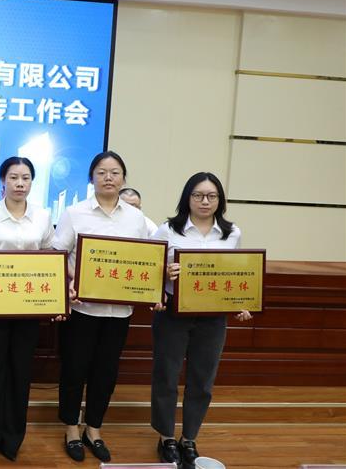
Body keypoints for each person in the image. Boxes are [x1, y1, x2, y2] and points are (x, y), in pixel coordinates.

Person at [50, 151, 149, 463]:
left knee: (106, 372)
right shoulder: (75, 212)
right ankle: (71, 428)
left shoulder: (136, 218)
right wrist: (70, 282)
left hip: (119, 312)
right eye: (102, 172)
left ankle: (93, 428)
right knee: (74, 369)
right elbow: (57, 254)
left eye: (115, 172)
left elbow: (151, 258)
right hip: (82, 309)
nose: (108, 177)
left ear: (123, 178)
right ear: (91, 177)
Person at [151, 172, 253, 469]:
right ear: (188, 198)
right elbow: (150, 267)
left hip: (213, 316)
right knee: (166, 376)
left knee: (203, 379)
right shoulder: (168, 229)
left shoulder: (231, 233)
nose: (204, 201)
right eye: (198, 195)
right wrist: (164, 273)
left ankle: (189, 438)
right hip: (174, 313)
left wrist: (240, 303)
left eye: (211, 196)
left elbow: (233, 273)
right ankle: (166, 438)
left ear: (220, 200)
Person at [0, 156, 55, 462]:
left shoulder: (43, 216)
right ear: (2, 181)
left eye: (26, 178)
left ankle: (11, 438)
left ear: (32, 182)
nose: (20, 183)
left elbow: (51, 258)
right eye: (14, 177)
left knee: (20, 372)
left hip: (27, 308)